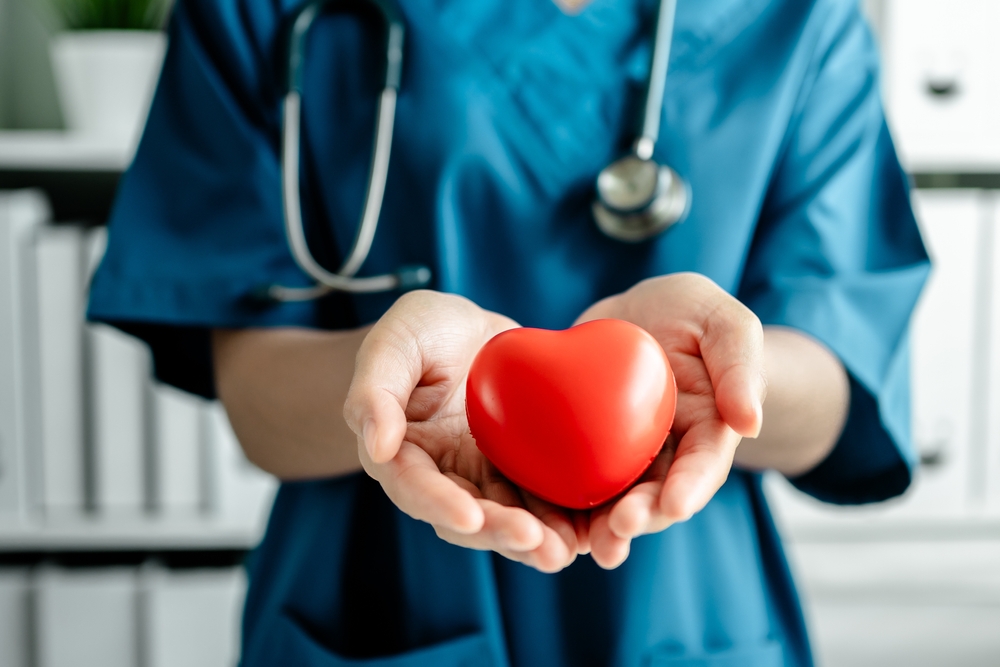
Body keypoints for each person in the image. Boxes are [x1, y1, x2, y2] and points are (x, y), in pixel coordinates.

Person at [88, 0, 930, 664]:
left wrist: (715, 374)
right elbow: (258, 405)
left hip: (686, 599)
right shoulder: (258, 8)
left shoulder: (802, 17)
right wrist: (395, 375)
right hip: (375, 591)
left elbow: (836, 379)